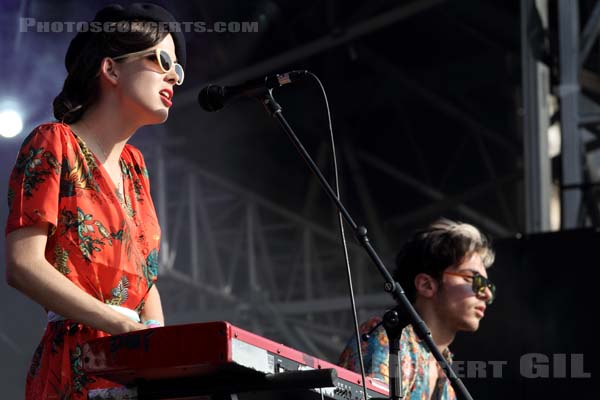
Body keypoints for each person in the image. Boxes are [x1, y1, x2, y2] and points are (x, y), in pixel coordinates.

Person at [4, 3, 186, 399]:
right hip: (79, 360)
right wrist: (122, 328)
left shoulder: (137, 168)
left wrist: (160, 353)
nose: (174, 74)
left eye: (177, 68)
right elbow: (22, 265)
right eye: (162, 59)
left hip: (133, 365)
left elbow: (145, 282)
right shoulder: (53, 143)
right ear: (111, 69)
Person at [338, 219, 496, 400]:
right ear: (426, 285)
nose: (487, 295)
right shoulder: (387, 338)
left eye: (489, 286)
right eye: (474, 280)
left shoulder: (445, 375)